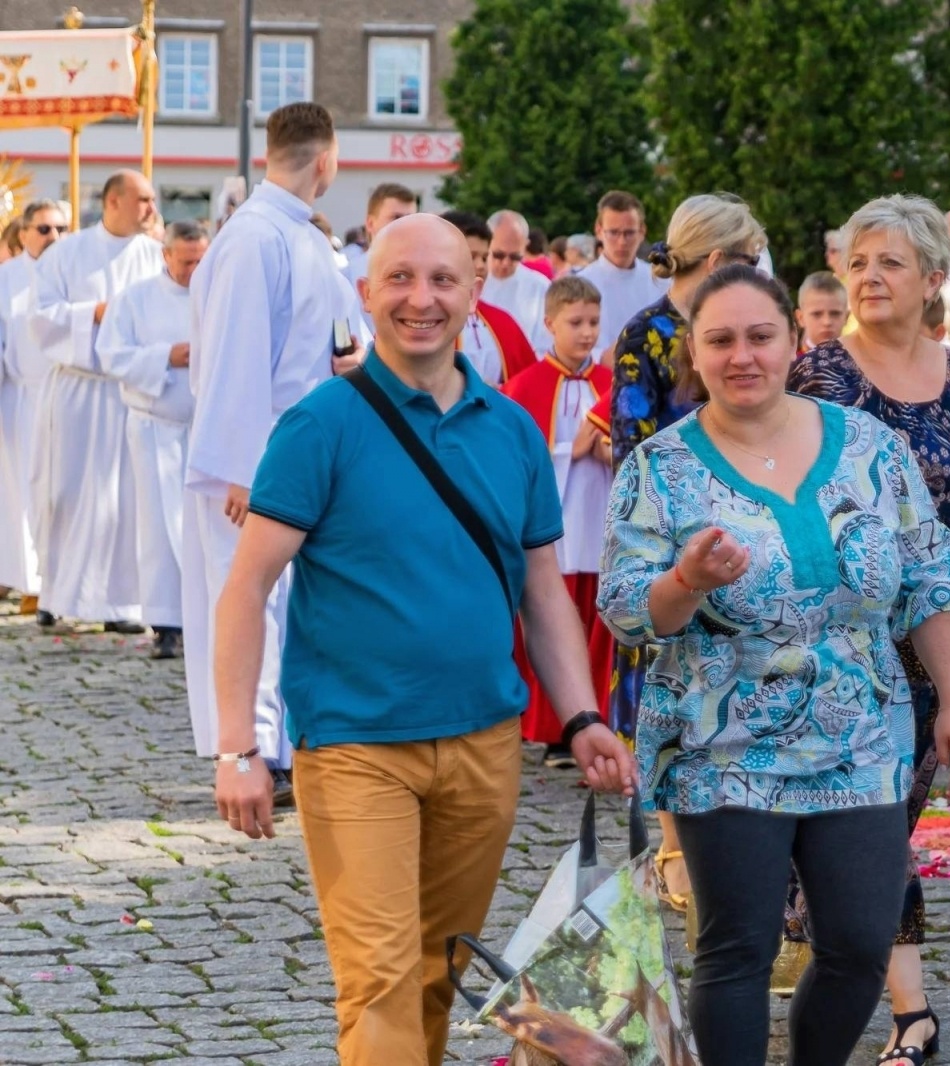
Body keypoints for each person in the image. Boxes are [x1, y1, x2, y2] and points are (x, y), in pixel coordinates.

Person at [211, 213, 635, 1066]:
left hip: (483, 742)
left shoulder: (510, 427)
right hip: (358, 745)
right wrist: (236, 748)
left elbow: (541, 589)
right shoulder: (319, 424)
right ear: (368, 294)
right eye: (399, 279)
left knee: (438, 973)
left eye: (442, 280)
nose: (421, 299)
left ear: (475, 293)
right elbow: (247, 585)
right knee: (378, 976)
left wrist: (583, 715)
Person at [599, 264, 950, 1066]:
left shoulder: (871, 446)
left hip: (864, 736)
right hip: (722, 746)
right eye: (720, 340)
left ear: (795, 340)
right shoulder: (660, 469)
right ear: (693, 355)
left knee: (859, 946)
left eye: (761, 335)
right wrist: (683, 583)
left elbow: (932, 574)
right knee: (737, 949)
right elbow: (629, 610)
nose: (743, 355)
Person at [789, 193, 950, 1066]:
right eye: (857, 263)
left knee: (879, 830)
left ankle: (870, 974)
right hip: (852, 639)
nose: (867, 278)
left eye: (889, 263)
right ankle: (912, 1012)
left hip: (942, 637)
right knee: (870, 827)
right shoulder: (827, 375)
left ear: (935, 278)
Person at [184, 101, 366, 803]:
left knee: (292, 606)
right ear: (327, 159)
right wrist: (242, 469)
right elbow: (233, 359)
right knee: (249, 601)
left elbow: (329, 340)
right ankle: (251, 749)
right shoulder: (253, 238)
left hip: (304, 453)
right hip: (257, 463)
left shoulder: (305, 238)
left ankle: (289, 743)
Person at [609, 191, 767, 916]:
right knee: (665, 695)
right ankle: (672, 846)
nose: (758, 275)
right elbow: (630, 450)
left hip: (747, 536)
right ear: (714, 261)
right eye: (749, 261)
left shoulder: (745, 329)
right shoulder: (648, 334)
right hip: (672, 542)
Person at [29, 169, 164, 631]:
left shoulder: (155, 257)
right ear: (113, 202)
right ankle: (56, 591)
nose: (151, 207)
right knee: (64, 491)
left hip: (129, 391)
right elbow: (42, 318)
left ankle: (122, 605)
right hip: (78, 390)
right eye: (142, 198)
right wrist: (97, 314)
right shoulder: (67, 254)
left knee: (125, 500)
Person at [505, 275, 614, 765]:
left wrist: (609, 449)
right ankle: (551, 727)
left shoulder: (613, 386)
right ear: (549, 324)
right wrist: (573, 449)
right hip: (557, 524)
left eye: (593, 322)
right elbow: (516, 459)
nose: (587, 333)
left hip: (602, 516)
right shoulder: (525, 386)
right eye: (576, 323)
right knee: (552, 616)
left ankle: (602, 714)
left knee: (598, 621)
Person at [96, 220, 209, 659]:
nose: (195, 269)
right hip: (155, 427)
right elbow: (110, 355)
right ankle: (165, 623)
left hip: (203, 430)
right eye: (187, 261)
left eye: (202, 259)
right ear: (166, 255)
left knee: (202, 526)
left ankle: (204, 617)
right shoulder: (135, 299)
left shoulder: (217, 295)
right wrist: (166, 356)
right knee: (159, 527)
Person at [0, 200, 67, 616]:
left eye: (62, 228)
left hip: (65, 395)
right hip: (18, 395)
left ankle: (57, 584)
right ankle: (24, 578)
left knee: (61, 492)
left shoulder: (71, 272)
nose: (54, 237)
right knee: (18, 490)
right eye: (44, 229)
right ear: (22, 233)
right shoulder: (6, 278)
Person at [438, 210, 538, 386]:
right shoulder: (420, 318)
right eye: (471, 256)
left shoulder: (501, 321)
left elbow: (528, 384)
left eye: (484, 257)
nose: (480, 266)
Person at [583, 191, 668, 359]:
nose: (622, 242)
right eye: (613, 233)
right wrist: (601, 356)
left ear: (642, 231)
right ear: (599, 231)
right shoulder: (581, 283)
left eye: (629, 233)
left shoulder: (661, 281)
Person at [482, 210, 553, 354]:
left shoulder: (540, 287)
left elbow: (547, 343)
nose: (505, 263)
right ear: (486, 243)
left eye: (515, 257)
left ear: (525, 246)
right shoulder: (471, 281)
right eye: (498, 255)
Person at [340, 183, 419, 289]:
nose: (404, 225)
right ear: (370, 224)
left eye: (410, 219)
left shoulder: (424, 276)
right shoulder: (347, 279)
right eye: (396, 218)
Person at [795, 271, 848, 351]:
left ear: (846, 317)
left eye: (835, 314)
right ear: (801, 318)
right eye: (817, 314)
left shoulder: (860, 361)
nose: (827, 322)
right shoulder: (790, 362)